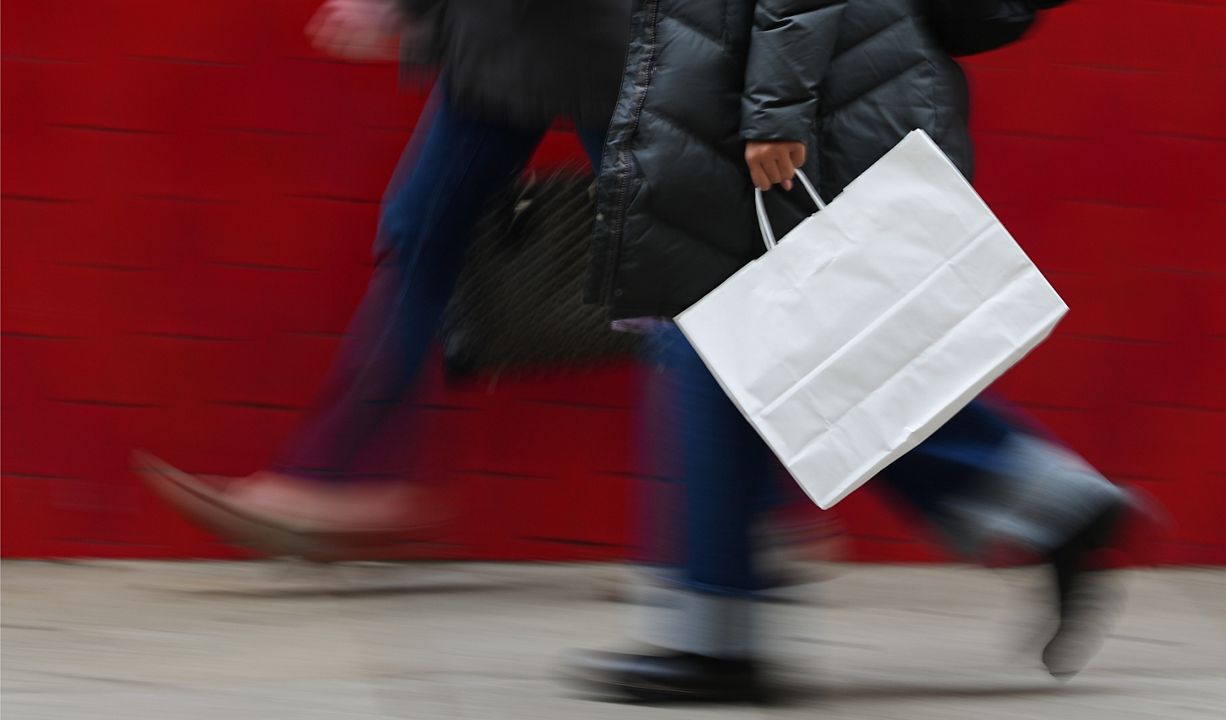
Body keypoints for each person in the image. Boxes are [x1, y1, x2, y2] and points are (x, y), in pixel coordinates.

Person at [568, 0, 1143, 702]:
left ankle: (716, 635)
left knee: (719, 333)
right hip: (769, 79)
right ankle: (1054, 504)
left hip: (803, 96)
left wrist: (775, 111)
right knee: (756, 342)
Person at [136, 0, 630, 554]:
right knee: (423, 230)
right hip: (537, 38)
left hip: (577, 37)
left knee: (664, 260)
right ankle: (345, 472)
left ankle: (729, 509)